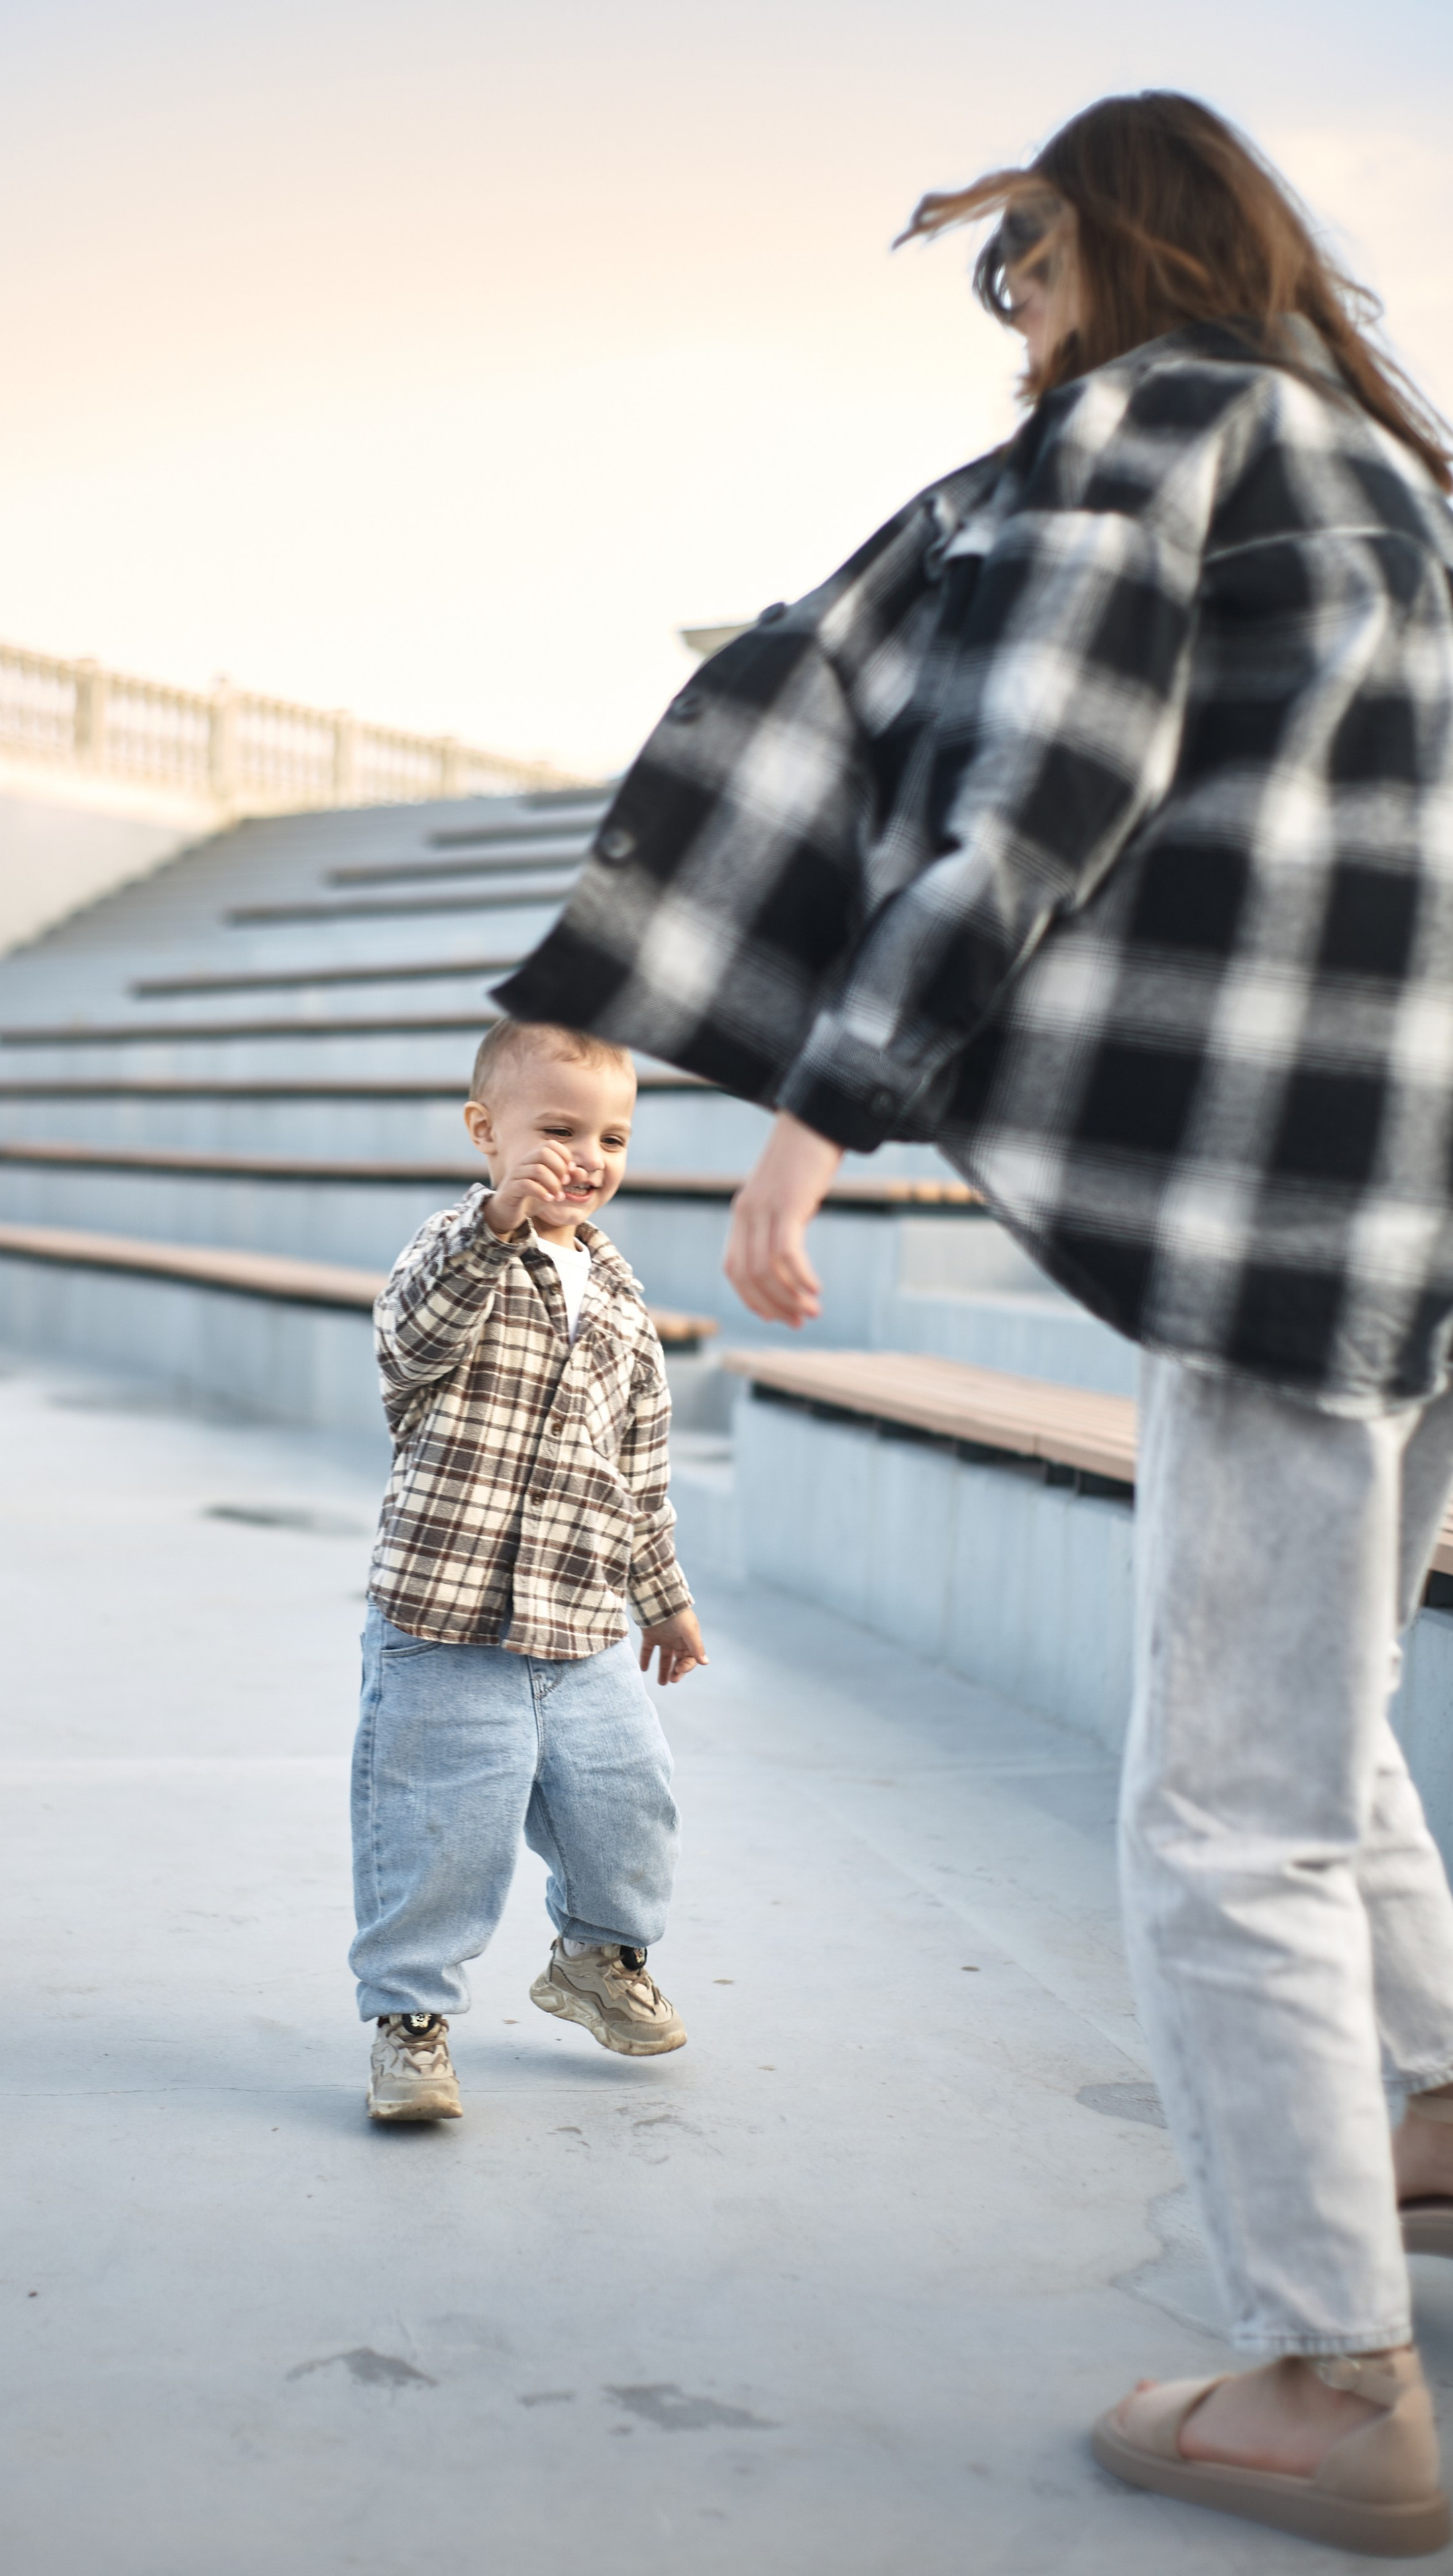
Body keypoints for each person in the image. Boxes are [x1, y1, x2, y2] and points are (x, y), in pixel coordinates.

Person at [496, 92, 1453, 2557]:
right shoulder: (1389, 483)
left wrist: (825, 1110)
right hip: (1423, 1204)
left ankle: (1330, 2376)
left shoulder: (1155, 430)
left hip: (1288, 1197)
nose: (1011, 328)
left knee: (1223, 1803)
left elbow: (1041, 789)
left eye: (1021, 274)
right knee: (1318, 1716)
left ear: (1112, 247)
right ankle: (1440, 2112)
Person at [352, 1016, 707, 2125]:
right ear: (484, 1131)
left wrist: (665, 1598)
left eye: (613, 1138)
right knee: (438, 1832)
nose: (586, 1158)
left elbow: (637, 1471)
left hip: (584, 1622)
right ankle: (411, 2021)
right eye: (558, 1130)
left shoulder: (623, 1305)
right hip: (447, 1622)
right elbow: (410, 1345)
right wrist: (494, 1227)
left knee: (628, 1803)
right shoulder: (450, 1252)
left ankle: (598, 1956)